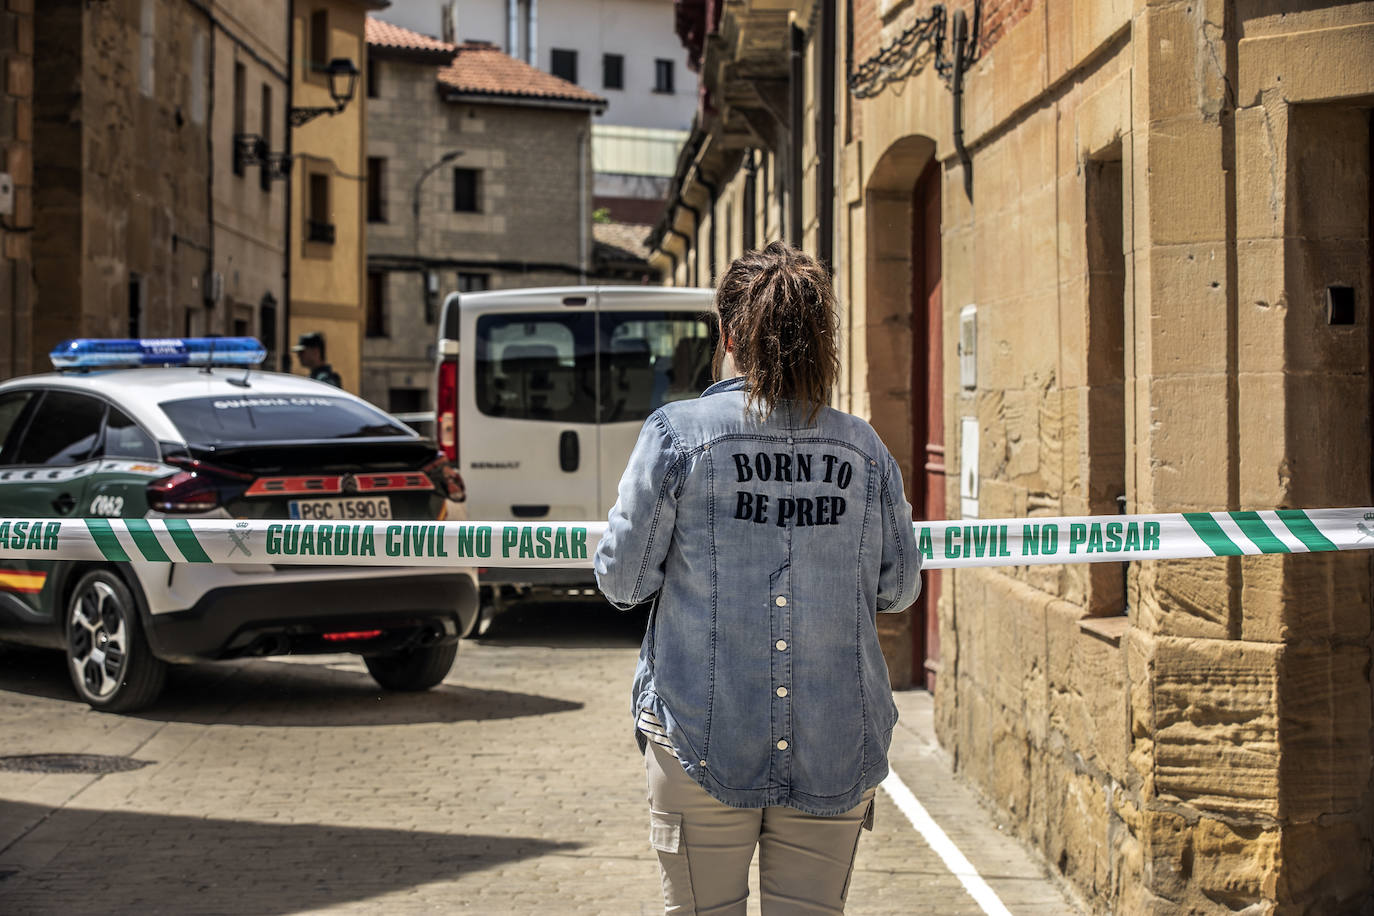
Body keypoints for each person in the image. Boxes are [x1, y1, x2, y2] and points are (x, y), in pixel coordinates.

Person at [595, 241, 922, 915]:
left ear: (729, 335)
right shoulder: (863, 447)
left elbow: (622, 583)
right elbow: (898, 589)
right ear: (821, 339)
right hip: (836, 740)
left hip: (699, 735)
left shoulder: (678, 435)